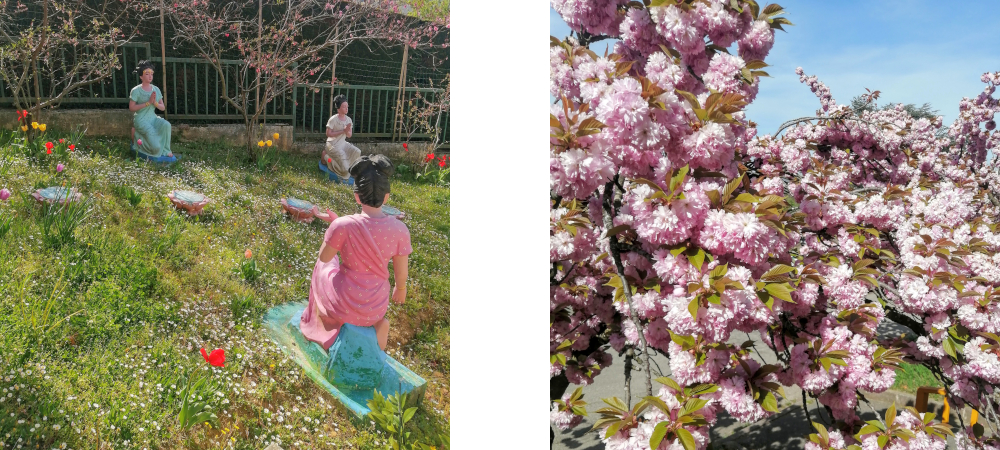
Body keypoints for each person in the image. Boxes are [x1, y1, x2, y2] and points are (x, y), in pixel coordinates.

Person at [300, 155, 410, 352]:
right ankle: (377, 329)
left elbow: (324, 257)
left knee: (324, 265)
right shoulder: (400, 230)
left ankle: (325, 325)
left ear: (357, 196)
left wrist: (333, 227)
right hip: (376, 306)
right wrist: (400, 289)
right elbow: (401, 273)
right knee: (375, 313)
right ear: (386, 197)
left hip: (342, 304)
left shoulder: (343, 226)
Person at [128, 60, 173, 158]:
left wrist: (155, 103)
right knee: (156, 148)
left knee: (166, 125)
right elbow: (131, 108)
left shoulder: (156, 89)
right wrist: (147, 103)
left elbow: (163, 108)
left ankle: (165, 149)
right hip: (141, 120)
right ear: (141, 76)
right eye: (147, 74)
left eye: (151, 74)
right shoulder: (136, 90)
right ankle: (136, 136)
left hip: (152, 118)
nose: (150, 76)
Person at [322, 95, 362, 180]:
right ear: (338, 108)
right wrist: (342, 131)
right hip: (332, 145)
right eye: (344, 107)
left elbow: (349, 135)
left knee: (357, 152)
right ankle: (326, 157)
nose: (346, 109)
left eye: (347, 107)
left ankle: (349, 168)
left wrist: (347, 131)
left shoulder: (349, 120)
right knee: (344, 170)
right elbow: (328, 133)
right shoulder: (333, 119)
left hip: (342, 144)